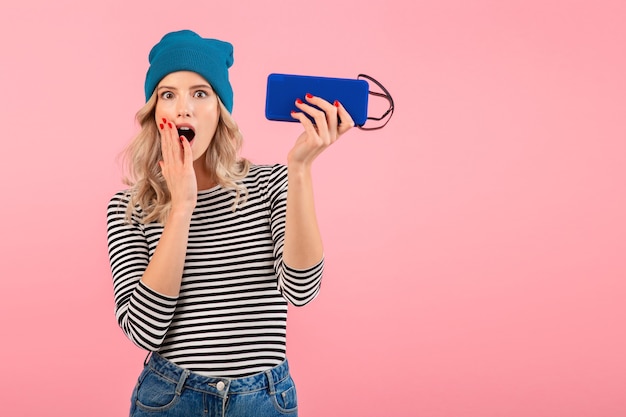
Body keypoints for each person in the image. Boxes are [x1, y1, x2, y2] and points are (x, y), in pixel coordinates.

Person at [106, 29, 354, 417]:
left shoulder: (270, 184)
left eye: (200, 93)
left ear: (220, 110)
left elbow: (302, 290)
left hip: (264, 400)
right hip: (170, 399)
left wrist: (300, 168)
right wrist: (182, 205)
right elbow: (144, 330)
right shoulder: (130, 207)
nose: (183, 107)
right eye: (168, 94)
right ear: (156, 113)